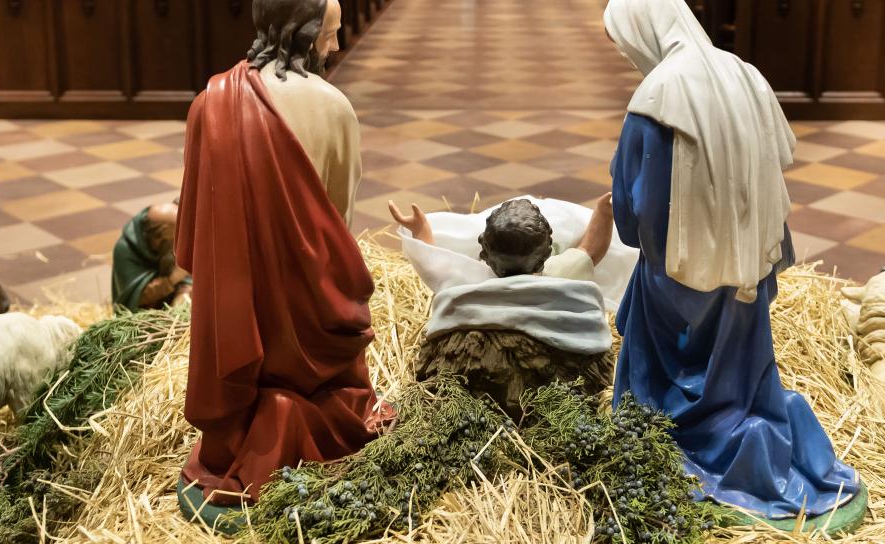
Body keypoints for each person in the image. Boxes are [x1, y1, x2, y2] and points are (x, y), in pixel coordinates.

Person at [604, 0, 861, 522]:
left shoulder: (656, 95)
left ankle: (669, 440)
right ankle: (747, 423)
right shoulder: (745, 74)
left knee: (658, 366)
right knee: (739, 365)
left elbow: (639, 207)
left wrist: (651, 246)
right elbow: (774, 164)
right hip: (749, 266)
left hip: (677, 275)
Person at [175, 0, 390, 510]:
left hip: (238, 307)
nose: (336, 46)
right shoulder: (335, 107)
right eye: (330, 35)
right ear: (303, 32)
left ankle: (250, 423)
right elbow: (339, 222)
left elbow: (196, 223)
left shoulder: (212, 102)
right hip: (312, 308)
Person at [389, 192, 615, 283]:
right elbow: (590, 249)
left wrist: (421, 230)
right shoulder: (560, 273)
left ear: (483, 253)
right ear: (545, 255)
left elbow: (433, 265)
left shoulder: (470, 279)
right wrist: (603, 212)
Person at [111, 199, 192, 312]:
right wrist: (171, 280)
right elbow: (134, 298)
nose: (178, 244)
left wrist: (184, 291)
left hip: (169, 309)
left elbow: (186, 274)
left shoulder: (169, 244)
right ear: (158, 237)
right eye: (173, 240)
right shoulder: (125, 250)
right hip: (140, 317)